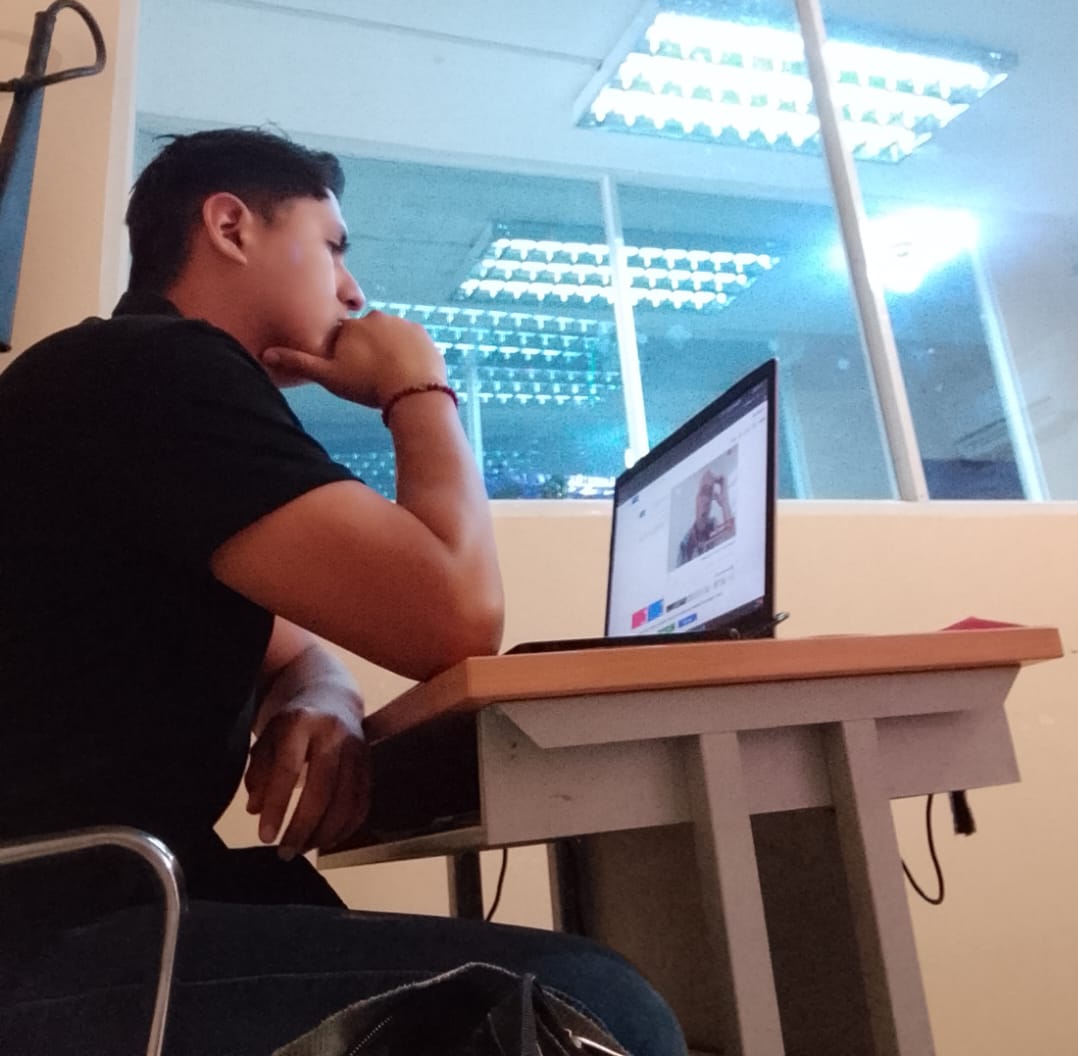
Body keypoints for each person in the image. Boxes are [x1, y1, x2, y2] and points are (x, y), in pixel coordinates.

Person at [0, 128, 685, 1056]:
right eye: (331, 247)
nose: (354, 291)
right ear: (230, 226)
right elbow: (454, 617)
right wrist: (419, 386)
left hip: (87, 902)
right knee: (596, 1005)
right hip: (50, 934)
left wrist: (322, 693)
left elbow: (292, 648)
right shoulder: (157, 371)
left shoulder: (121, 388)